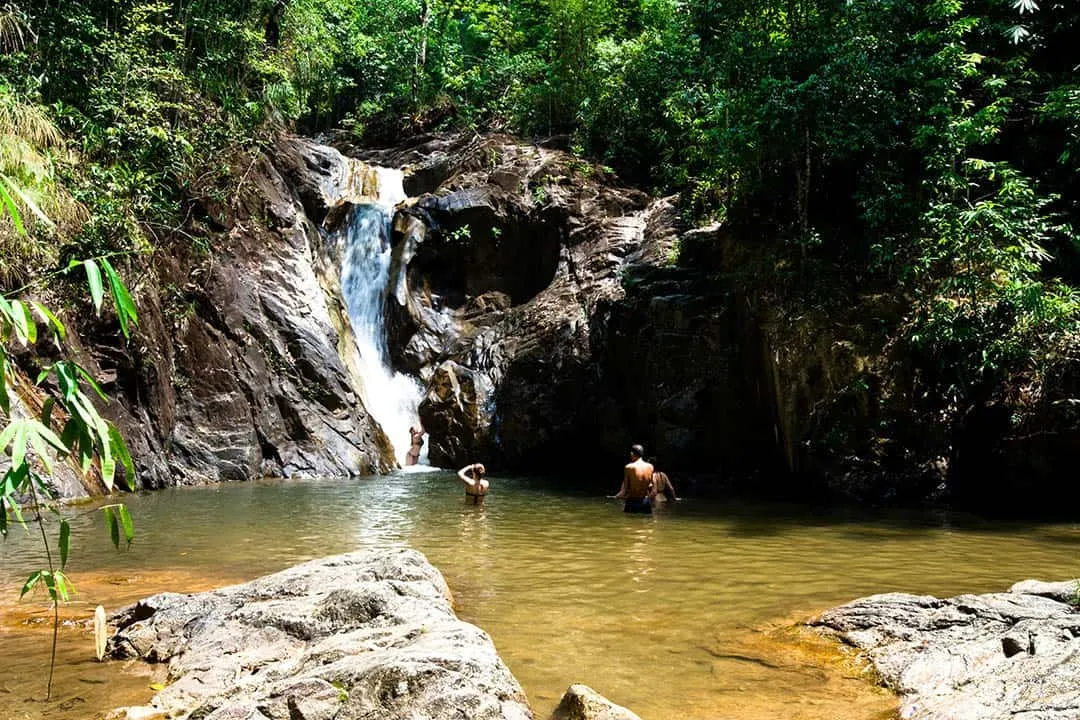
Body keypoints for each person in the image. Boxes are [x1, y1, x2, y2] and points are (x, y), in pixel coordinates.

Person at [612, 444, 654, 514]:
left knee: (630, 523)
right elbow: (651, 485)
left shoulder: (629, 467)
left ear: (632, 453)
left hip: (633, 501)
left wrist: (615, 497)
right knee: (646, 523)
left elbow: (624, 491)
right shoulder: (650, 466)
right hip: (646, 502)